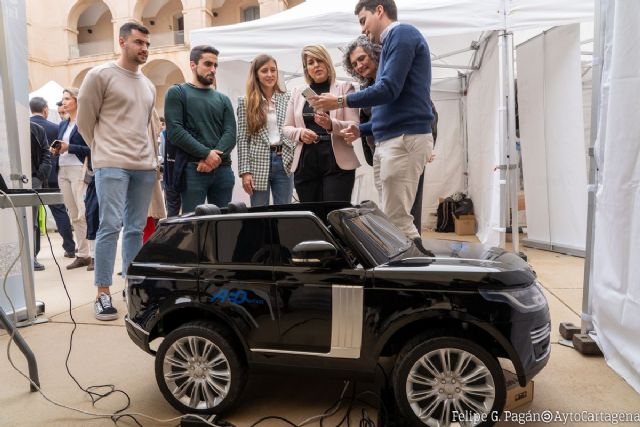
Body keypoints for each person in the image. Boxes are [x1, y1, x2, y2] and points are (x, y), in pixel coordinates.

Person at [310, 0, 434, 242]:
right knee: (392, 218)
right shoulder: (392, 42)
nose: (363, 29)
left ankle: (410, 273)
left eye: (363, 20)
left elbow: (388, 90)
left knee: (398, 221)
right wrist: (360, 128)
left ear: (379, 10)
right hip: (392, 141)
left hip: (403, 140)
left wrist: (339, 102)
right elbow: (389, 110)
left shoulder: (402, 33)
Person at [77, 22, 157, 321]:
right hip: (110, 162)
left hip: (143, 166)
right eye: (138, 42)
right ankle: (102, 293)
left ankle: (133, 290)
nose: (144, 49)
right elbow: (85, 122)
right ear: (121, 42)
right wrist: (101, 152)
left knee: (136, 228)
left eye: (147, 44)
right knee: (110, 225)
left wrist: (151, 160)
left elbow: (147, 127)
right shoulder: (100, 75)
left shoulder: (148, 84)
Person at [343, 35, 438, 231]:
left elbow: (430, 113)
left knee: (406, 212)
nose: (359, 66)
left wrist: (428, 148)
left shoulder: (396, 78)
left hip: (406, 146)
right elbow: (374, 122)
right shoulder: (368, 88)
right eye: (354, 64)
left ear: (375, 54)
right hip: (383, 152)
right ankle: (401, 252)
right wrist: (359, 131)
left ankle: (413, 256)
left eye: (362, 58)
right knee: (392, 211)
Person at [282, 45, 359, 203]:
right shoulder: (298, 92)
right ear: (306, 69)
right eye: (310, 62)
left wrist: (331, 124)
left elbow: (354, 125)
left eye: (319, 60)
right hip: (306, 160)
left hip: (336, 160)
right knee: (311, 217)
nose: (316, 65)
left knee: (334, 214)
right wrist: (300, 134)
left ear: (327, 62)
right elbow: (286, 127)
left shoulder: (345, 88)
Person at [165, 45, 237, 213]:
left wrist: (213, 158)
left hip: (223, 170)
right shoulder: (177, 92)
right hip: (192, 170)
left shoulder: (223, 99)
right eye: (208, 64)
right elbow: (175, 132)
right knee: (194, 227)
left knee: (223, 225)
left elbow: (230, 133)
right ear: (193, 65)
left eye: (215, 65)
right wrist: (206, 154)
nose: (213, 69)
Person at [237, 54, 294, 206]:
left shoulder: (288, 97)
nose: (270, 74)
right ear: (256, 74)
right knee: (259, 214)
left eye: (273, 70)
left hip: (284, 160)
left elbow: (294, 128)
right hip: (257, 162)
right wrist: (245, 172)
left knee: (285, 213)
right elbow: (242, 139)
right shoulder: (245, 102)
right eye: (264, 70)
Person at [29, 97, 76, 259]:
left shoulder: (25, 126)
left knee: (31, 215)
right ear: (45, 110)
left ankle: (32, 253)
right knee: (59, 211)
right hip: (53, 175)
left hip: (32, 177)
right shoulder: (56, 128)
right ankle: (69, 247)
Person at [51, 87, 92, 270]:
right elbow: (63, 145)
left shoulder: (85, 123)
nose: (64, 102)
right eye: (63, 99)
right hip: (63, 170)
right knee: (73, 214)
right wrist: (56, 149)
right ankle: (83, 254)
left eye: (67, 99)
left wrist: (70, 147)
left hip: (79, 169)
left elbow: (92, 149)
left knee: (84, 213)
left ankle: (94, 254)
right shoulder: (62, 124)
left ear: (77, 100)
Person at [29, 121, 51, 271]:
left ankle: (32, 257)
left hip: (33, 178)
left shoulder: (37, 129)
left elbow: (46, 153)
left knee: (32, 220)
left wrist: (39, 177)